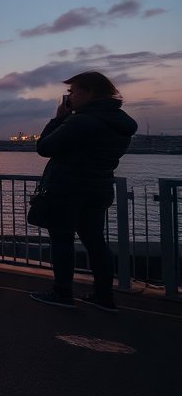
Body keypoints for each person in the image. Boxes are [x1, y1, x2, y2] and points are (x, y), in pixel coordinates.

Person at [29, 71, 137, 311]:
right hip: (98, 189)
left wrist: (57, 119)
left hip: (67, 189)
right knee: (95, 241)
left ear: (88, 92)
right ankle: (104, 296)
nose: (70, 98)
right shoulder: (120, 123)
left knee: (62, 240)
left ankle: (63, 293)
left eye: (73, 92)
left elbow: (44, 147)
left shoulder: (80, 121)